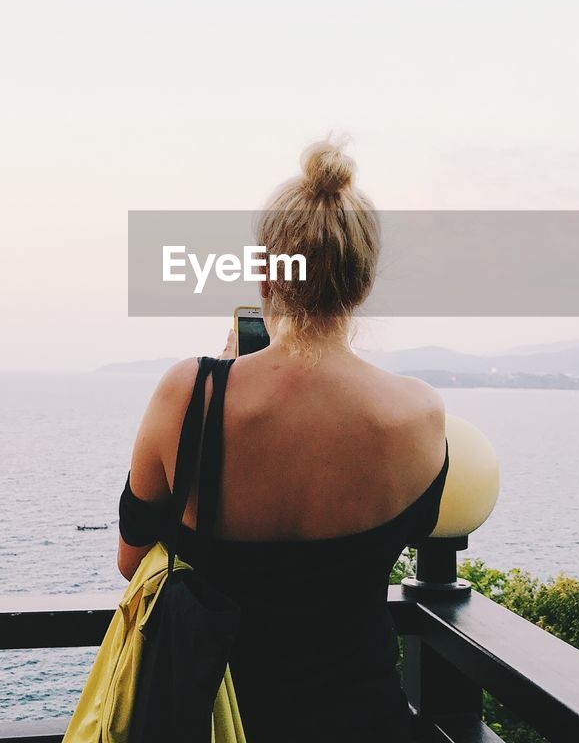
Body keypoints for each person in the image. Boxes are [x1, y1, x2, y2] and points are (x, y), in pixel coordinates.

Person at [116, 138, 449, 742]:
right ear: (362, 284)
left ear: (267, 277)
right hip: (370, 722)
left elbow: (131, 560)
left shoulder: (189, 395)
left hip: (224, 722)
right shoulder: (422, 414)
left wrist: (223, 376)